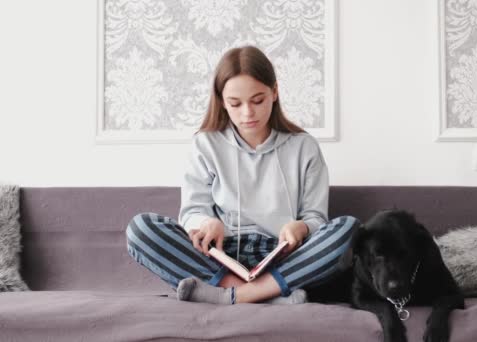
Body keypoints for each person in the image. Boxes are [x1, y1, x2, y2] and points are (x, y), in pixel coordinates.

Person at [125, 45, 358, 305]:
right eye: (235, 104)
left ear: (274, 92)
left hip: (282, 257)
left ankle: (230, 296)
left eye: (257, 100)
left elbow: (316, 218)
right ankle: (263, 295)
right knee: (140, 229)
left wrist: (301, 227)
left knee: (348, 228)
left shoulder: (304, 147)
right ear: (222, 101)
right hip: (221, 256)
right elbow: (191, 213)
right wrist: (206, 223)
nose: (248, 113)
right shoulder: (205, 144)